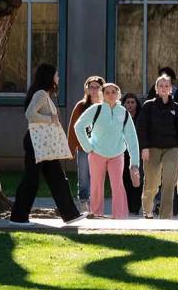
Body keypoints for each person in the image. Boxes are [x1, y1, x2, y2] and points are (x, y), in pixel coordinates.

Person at [10, 65, 84, 226]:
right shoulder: (41, 94)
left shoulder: (44, 94)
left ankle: (71, 215)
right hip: (36, 144)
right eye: (56, 75)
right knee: (31, 180)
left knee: (58, 179)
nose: (58, 78)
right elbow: (30, 114)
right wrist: (50, 119)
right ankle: (18, 217)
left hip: (44, 145)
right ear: (49, 77)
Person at [74, 82, 142, 219]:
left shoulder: (123, 112)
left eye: (113, 92)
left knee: (118, 186)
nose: (111, 95)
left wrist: (134, 162)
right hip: (96, 154)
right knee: (96, 186)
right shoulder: (96, 109)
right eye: (107, 92)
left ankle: (120, 216)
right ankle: (96, 214)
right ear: (102, 95)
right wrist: (88, 147)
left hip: (117, 154)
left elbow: (132, 138)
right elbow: (78, 126)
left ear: (118, 94)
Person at [137, 74, 178, 219]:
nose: (164, 88)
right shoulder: (148, 106)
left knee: (169, 181)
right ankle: (147, 211)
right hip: (152, 148)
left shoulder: (177, 109)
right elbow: (141, 128)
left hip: (172, 148)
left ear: (171, 89)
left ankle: (165, 216)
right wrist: (144, 147)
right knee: (152, 183)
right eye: (161, 86)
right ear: (156, 88)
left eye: (167, 86)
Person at [66, 76, 104, 205]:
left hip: (100, 148)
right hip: (83, 148)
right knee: (83, 178)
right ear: (86, 89)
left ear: (101, 89)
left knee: (97, 177)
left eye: (97, 87)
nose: (94, 90)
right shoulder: (81, 106)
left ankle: (96, 204)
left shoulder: (105, 106)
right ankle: (83, 203)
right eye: (91, 87)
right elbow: (73, 128)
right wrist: (70, 149)